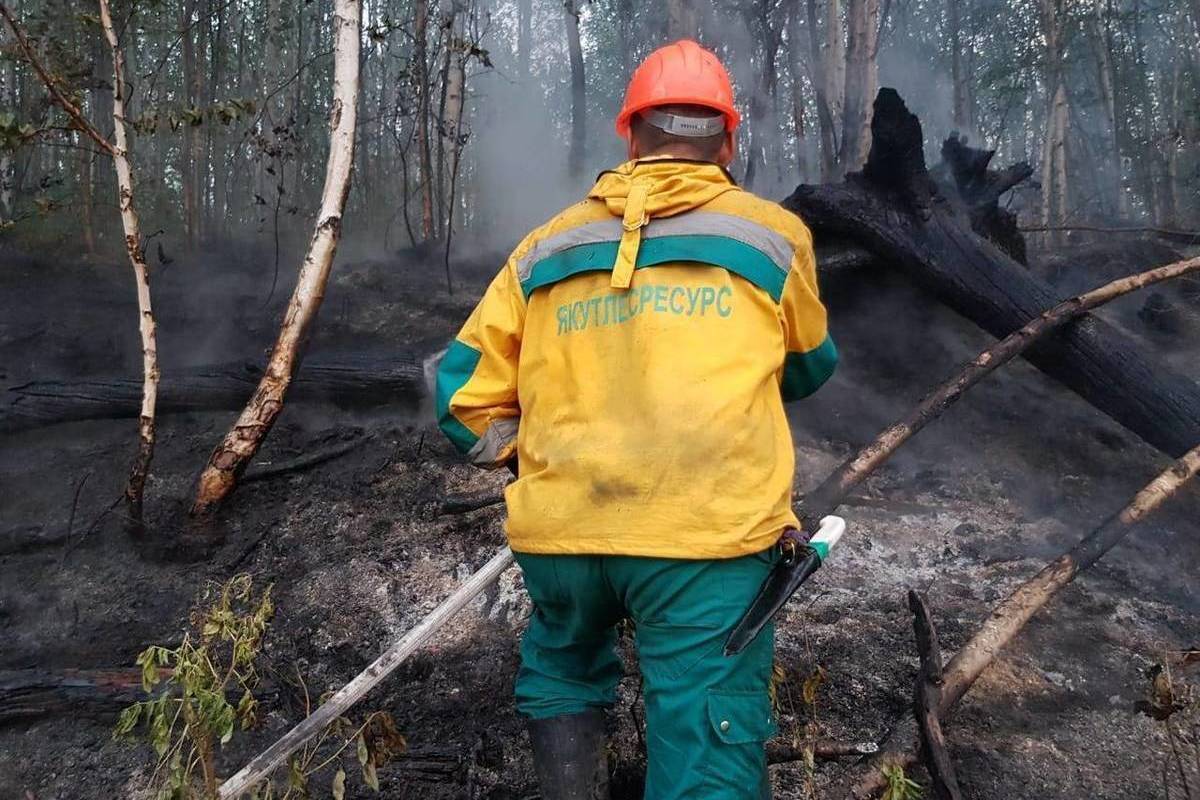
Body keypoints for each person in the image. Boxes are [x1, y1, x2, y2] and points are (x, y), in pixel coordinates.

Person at [435, 39, 837, 800]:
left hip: (561, 541)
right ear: (727, 141)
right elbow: (809, 365)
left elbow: (462, 398)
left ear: (630, 137)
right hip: (704, 546)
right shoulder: (772, 236)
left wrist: (527, 460)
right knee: (705, 722)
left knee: (562, 667)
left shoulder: (543, 246)